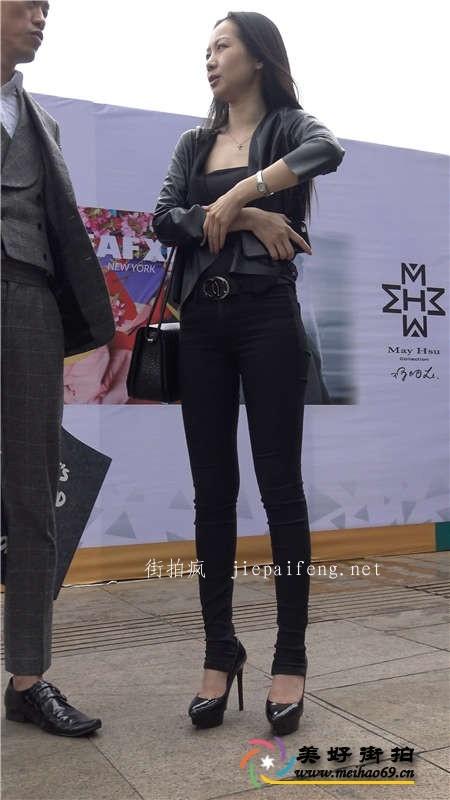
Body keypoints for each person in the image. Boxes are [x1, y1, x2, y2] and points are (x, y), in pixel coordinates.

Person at [153, 10, 345, 736]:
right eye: (205, 49)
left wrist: (240, 195)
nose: (210, 59)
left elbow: (329, 149)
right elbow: (165, 219)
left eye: (222, 46)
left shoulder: (291, 127)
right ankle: (219, 651)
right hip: (202, 323)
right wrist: (249, 219)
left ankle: (290, 656)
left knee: (281, 489)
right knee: (213, 494)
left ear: (258, 57)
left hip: (268, 317)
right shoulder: (193, 142)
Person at [1, 1, 115, 736]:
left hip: (28, 304)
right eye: (29, 2)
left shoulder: (46, 126)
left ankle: (28, 678)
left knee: (34, 493)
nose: (42, 17)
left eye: (49, 7)